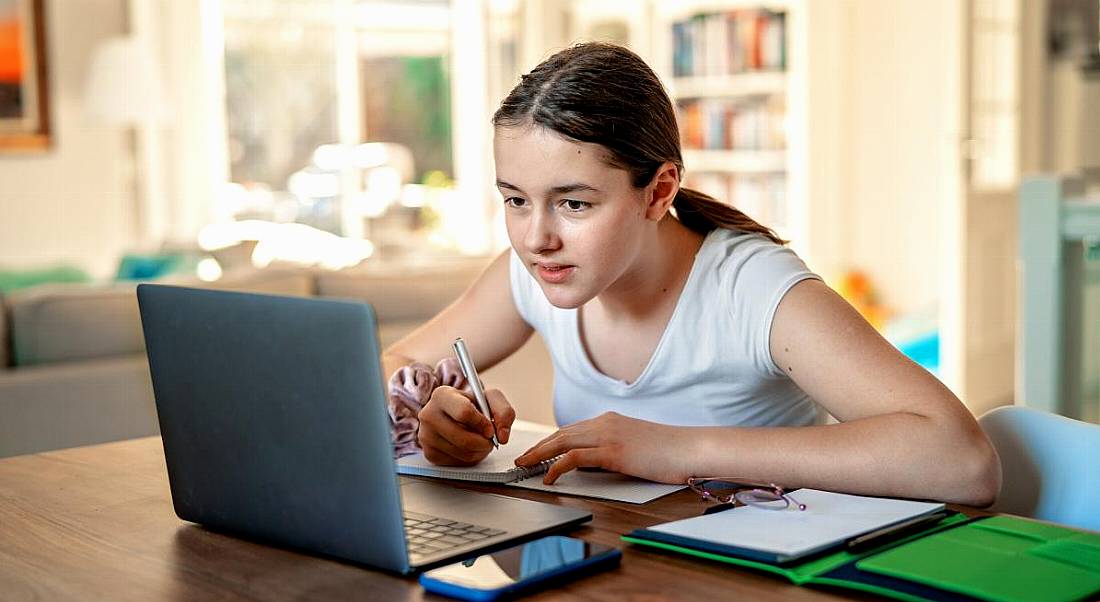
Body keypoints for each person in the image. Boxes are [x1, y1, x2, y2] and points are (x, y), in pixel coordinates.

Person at [382, 42, 1000, 507]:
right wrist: (437, 415)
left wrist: (680, 448)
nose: (536, 237)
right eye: (515, 199)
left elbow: (961, 460)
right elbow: (388, 367)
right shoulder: (534, 272)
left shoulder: (752, 289)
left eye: (573, 203)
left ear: (659, 192)